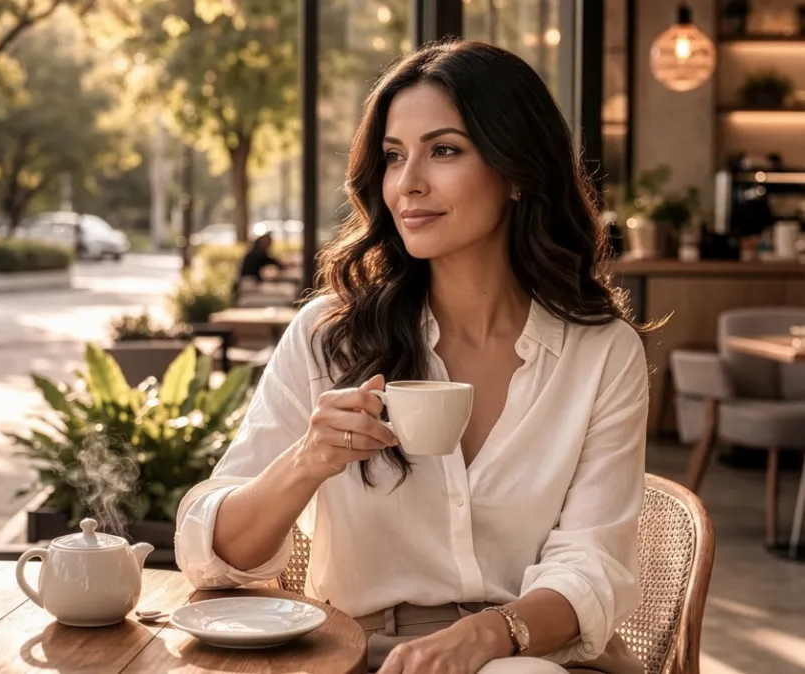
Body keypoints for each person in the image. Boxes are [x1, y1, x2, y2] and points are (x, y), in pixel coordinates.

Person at [175, 40, 654, 674]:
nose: (408, 183)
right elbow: (212, 556)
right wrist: (305, 463)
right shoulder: (329, 335)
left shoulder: (602, 352)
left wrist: (490, 637)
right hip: (359, 654)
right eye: (394, 157)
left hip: (536, 652)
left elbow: (593, 562)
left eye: (445, 150)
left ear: (517, 171)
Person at [232, 232, 285, 302]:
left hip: (248, 283)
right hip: (248, 283)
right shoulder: (257, 253)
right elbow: (275, 263)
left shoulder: (252, 252)